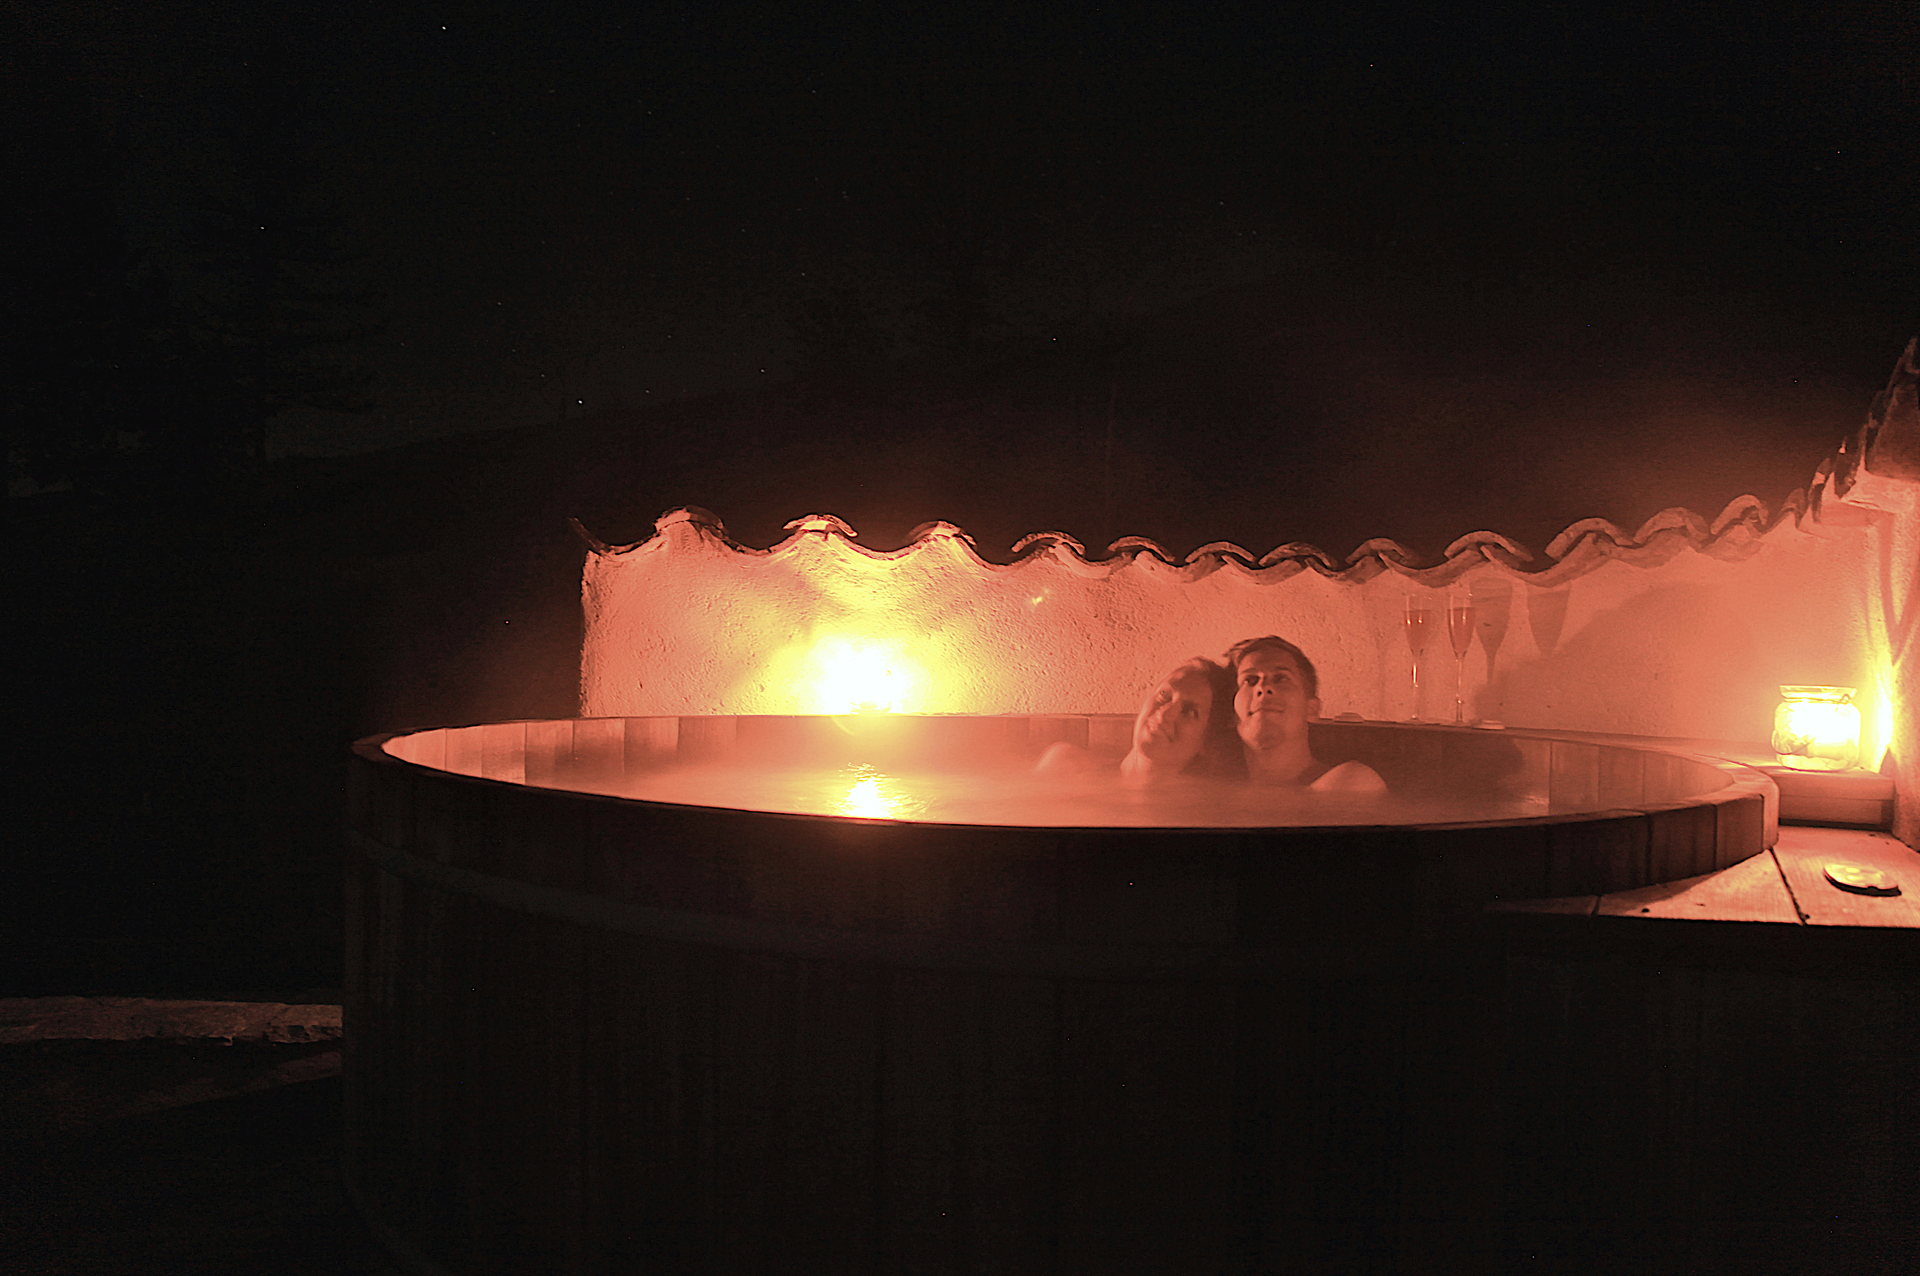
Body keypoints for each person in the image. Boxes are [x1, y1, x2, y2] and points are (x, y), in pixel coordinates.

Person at [1225, 635, 1387, 793]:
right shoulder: (1221, 792)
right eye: (1249, 680)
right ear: (1232, 714)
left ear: (1311, 709)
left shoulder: (1353, 784)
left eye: (1281, 678)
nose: (1263, 687)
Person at [1117, 656, 1241, 784]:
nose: (1164, 715)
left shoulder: (1207, 801)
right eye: (1164, 694)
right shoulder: (1098, 770)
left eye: (1190, 711)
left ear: (1207, 740)